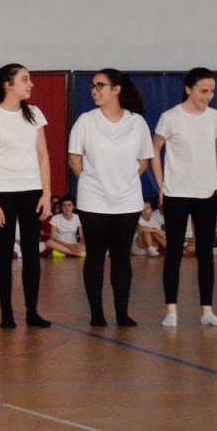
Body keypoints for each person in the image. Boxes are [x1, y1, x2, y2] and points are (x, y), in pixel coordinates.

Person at [68, 69, 152, 328]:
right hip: (94, 200)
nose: (94, 90)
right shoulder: (86, 121)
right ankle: (97, 313)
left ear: (116, 89)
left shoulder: (137, 123)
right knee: (95, 255)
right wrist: (92, 182)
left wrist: (124, 181)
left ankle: (122, 313)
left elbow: (144, 160)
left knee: (121, 257)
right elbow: (74, 158)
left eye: (100, 85)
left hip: (127, 201)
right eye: (93, 86)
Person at [151, 66, 217, 327]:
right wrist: (161, 186)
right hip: (176, 192)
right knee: (174, 251)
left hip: (206, 192)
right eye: (203, 91)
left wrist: (213, 177)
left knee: (205, 251)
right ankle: (171, 311)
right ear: (188, 89)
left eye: (212, 91)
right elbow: (155, 149)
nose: (208, 96)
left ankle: (207, 311)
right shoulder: (170, 117)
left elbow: (214, 148)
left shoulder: (216, 117)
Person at [0, 64, 53, 328]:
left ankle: (32, 311)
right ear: (8, 85)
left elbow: (43, 156)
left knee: (32, 251)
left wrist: (46, 194)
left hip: (32, 190)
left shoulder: (35, 114)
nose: (30, 84)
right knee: (4, 252)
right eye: (24, 79)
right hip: (4, 193)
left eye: (29, 79)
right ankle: (6, 313)